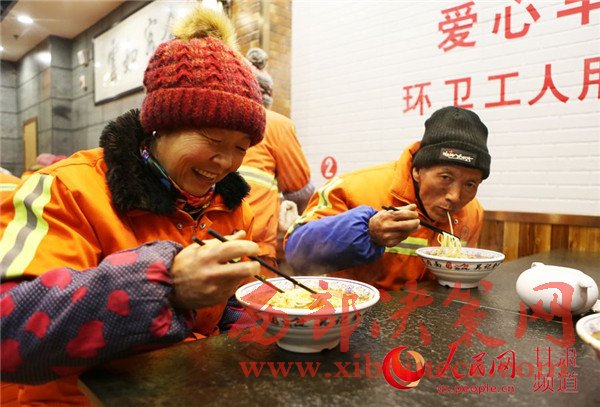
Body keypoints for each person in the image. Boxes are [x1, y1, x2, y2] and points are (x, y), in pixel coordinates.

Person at [0, 8, 265, 404]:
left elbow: (225, 312)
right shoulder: (69, 189)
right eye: (213, 139)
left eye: (241, 147)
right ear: (162, 125)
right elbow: (8, 329)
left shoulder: (230, 207)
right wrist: (165, 286)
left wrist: (266, 323)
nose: (226, 162)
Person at [284, 106, 491, 291]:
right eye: (445, 177)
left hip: (426, 315)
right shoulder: (352, 189)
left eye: (470, 184)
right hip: (353, 313)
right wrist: (367, 231)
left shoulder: (472, 213)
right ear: (417, 170)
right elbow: (295, 252)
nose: (455, 196)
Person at [238, 48, 314, 270]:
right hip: (255, 247)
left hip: (209, 240)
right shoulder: (276, 124)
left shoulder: (214, 119)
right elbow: (300, 189)